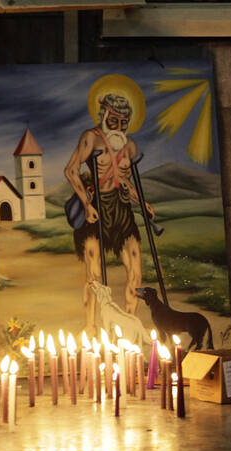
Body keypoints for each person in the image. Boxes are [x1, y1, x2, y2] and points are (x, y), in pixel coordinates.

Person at [64, 93, 156, 334]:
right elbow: (71, 171)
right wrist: (86, 205)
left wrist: (141, 201)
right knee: (94, 274)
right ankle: (91, 326)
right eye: (114, 120)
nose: (119, 127)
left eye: (124, 122)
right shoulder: (91, 139)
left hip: (121, 209)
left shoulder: (130, 145)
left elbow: (125, 178)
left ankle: (129, 325)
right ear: (103, 115)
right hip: (97, 208)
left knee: (136, 271)